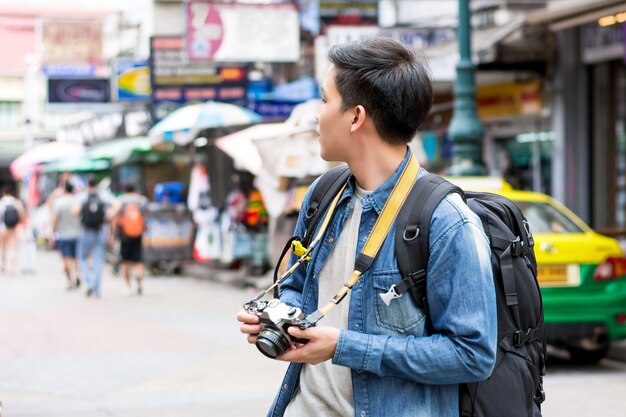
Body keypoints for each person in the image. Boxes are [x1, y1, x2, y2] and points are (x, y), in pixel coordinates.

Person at [237, 37, 497, 417]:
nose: (317, 115)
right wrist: (278, 318)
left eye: (325, 100)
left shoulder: (445, 221)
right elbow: (298, 285)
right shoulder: (323, 194)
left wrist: (343, 346)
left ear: (356, 117)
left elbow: (472, 355)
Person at [74, 177, 110, 298]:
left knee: (82, 258)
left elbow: (75, 212)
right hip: (100, 231)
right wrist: (106, 219)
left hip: (86, 231)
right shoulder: (103, 196)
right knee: (98, 260)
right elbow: (115, 207)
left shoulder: (82, 196)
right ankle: (97, 288)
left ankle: (89, 280)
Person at [111, 183, 148, 296]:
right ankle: (139, 277)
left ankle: (127, 285)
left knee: (125, 260)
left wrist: (112, 233)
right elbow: (145, 216)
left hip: (124, 234)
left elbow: (114, 215)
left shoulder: (120, 200)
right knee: (138, 259)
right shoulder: (142, 200)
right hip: (138, 233)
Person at [51, 181, 82, 290]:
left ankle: (70, 282)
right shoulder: (77, 201)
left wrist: (53, 232)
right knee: (77, 258)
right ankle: (79, 275)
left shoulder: (59, 202)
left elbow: (55, 219)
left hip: (64, 235)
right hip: (78, 234)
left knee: (66, 259)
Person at [0, 187, 26, 275]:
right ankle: (11, 268)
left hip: (2, 228)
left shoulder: (1, 202)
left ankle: (3, 265)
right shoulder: (16, 202)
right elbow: (22, 214)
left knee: (3, 248)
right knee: (13, 248)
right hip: (13, 228)